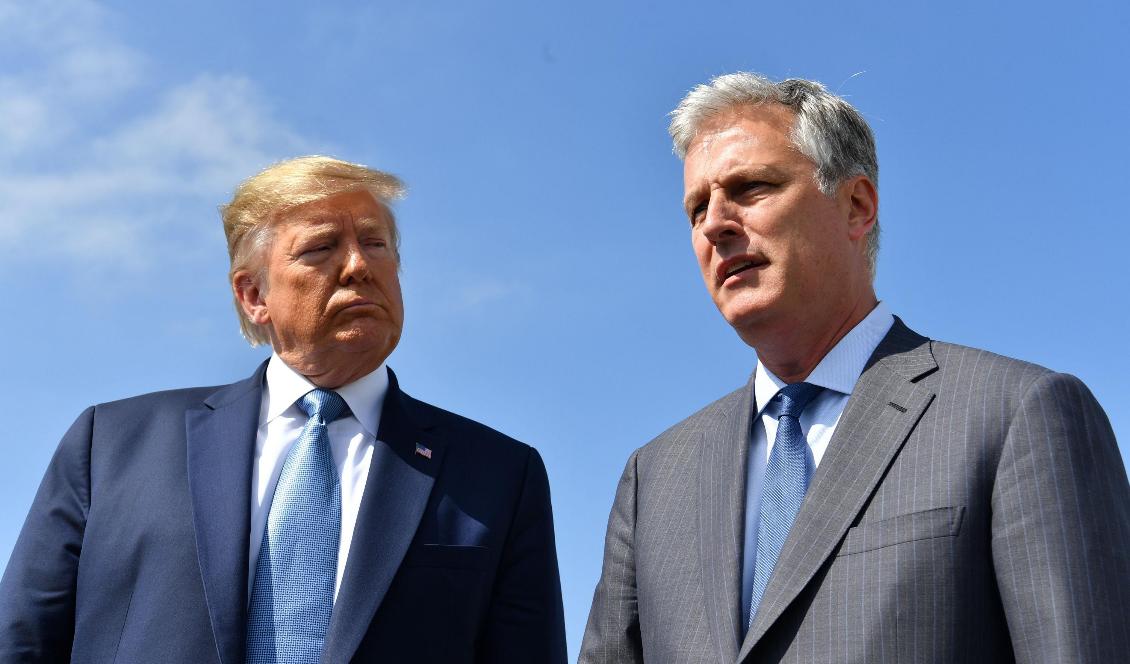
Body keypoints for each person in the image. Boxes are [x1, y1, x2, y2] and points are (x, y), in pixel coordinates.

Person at [580, 73, 1130, 663]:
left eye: (752, 187)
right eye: (696, 209)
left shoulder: (1016, 414)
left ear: (857, 206)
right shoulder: (653, 478)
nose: (715, 224)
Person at [0, 156, 567, 663]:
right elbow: (23, 641)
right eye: (321, 248)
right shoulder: (112, 443)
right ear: (253, 295)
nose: (358, 267)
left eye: (376, 244)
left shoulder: (497, 472)